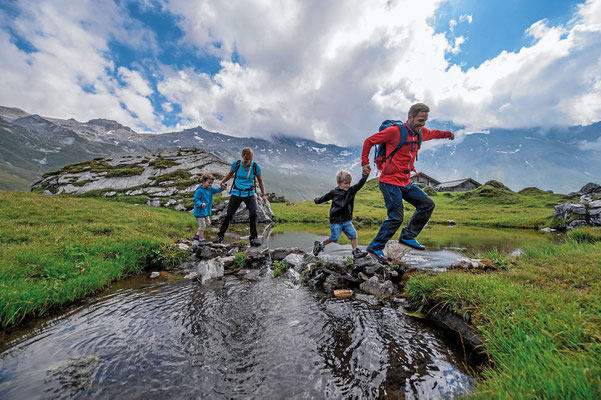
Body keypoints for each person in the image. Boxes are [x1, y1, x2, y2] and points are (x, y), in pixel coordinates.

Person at [361, 103, 454, 263]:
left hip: (405, 181)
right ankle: (375, 247)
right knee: (396, 217)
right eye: (420, 120)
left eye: (425, 121)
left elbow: (433, 133)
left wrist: (447, 134)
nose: (422, 124)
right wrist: (365, 163)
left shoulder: (420, 133)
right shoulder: (394, 132)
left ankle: (407, 236)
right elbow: (369, 141)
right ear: (410, 117)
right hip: (389, 181)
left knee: (427, 204)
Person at [214, 147, 268, 247]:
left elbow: (260, 181)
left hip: (249, 194)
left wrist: (264, 195)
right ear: (243, 156)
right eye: (247, 159)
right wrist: (222, 182)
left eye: (250, 159)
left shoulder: (256, 167)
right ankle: (220, 236)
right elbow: (230, 174)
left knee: (254, 214)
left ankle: (253, 238)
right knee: (229, 215)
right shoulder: (236, 164)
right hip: (236, 193)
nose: (248, 161)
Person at [312, 169, 368, 259]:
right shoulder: (333, 192)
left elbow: (360, 184)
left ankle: (356, 251)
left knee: (353, 235)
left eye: (349, 183)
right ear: (339, 183)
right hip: (336, 220)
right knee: (334, 237)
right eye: (346, 183)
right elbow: (324, 198)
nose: (348, 185)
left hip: (346, 220)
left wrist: (365, 176)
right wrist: (316, 200)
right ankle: (319, 245)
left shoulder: (351, 191)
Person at [192, 173, 226, 244]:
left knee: (208, 223)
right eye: (209, 183)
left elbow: (216, 190)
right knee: (202, 226)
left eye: (211, 183)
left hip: (206, 211)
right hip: (199, 212)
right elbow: (195, 199)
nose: (210, 184)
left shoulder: (210, 189)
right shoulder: (199, 190)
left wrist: (222, 188)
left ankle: (197, 235)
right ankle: (201, 239)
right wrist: (200, 204)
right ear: (203, 181)